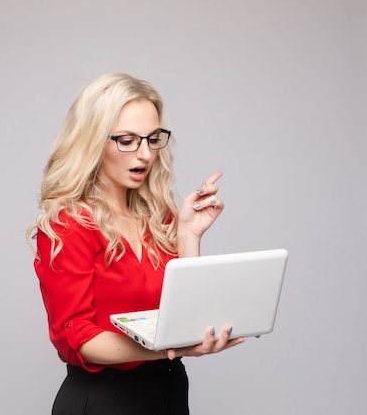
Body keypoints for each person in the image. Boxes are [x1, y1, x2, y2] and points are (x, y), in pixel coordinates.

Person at [27, 72, 244, 415]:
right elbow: (79, 339)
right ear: (93, 141)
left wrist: (189, 235)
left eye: (153, 139)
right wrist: (172, 349)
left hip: (169, 390)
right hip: (104, 401)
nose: (144, 154)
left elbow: (182, 315)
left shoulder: (159, 217)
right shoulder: (69, 224)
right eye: (127, 140)